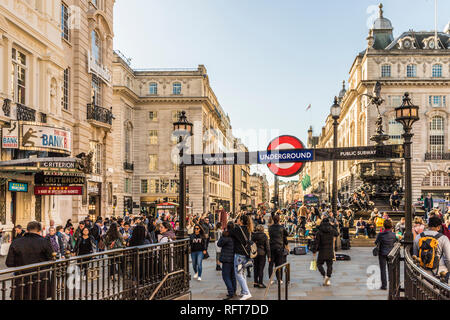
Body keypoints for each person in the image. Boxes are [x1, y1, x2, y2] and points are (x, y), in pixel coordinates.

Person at [6, 221, 54, 300]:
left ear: (27, 230)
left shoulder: (16, 242)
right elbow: (52, 260)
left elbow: (9, 263)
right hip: (40, 280)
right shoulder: (45, 241)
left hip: (21, 280)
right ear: (39, 231)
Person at [230, 214, 254, 300]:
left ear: (241, 221)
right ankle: (244, 291)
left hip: (239, 255)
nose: (237, 220)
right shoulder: (249, 229)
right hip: (247, 254)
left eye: (239, 219)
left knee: (238, 274)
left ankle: (247, 292)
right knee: (243, 273)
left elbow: (229, 232)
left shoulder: (238, 229)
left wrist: (234, 223)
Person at [311, 218, 338, 286]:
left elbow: (316, 242)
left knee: (319, 264)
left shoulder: (319, 232)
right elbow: (337, 233)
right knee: (329, 265)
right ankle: (328, 278)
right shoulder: (331, 230)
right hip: (330, 250)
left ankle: (324, 275)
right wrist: (333, 226)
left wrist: (314, 251)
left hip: (322, 250)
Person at [375, 219, 397, 290]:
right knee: (391, 269)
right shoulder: (393, 234)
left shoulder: (380, 234)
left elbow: (376, 242)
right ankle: (392, 284)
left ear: (384, 226)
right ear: (391, 226)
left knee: (383, 270)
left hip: (382, 253)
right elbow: (395, 241)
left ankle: (384, 285)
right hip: (391, 253)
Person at [217, 221, 236, 300]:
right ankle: (233, 290)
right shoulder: (235, 236)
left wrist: (222, 236)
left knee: (226, 276)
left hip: (226, 259)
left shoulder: (225, 236)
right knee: (232, 276)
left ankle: (231, 292)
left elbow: (219, 244)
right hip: (234, 258)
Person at [268, 214, 289, 284]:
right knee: (279, 264)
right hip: (279, 247)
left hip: (272, 247)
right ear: (279, 220)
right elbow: (287, 234)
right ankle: (279, 279)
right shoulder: (281, 227)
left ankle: (270, 279)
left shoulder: (270, 228)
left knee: (271, 264)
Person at [251, 224, 270, 288]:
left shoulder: (253, 235)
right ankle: (260, 283)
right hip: (262, 253)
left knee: (255, 268)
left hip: (255, 253)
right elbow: (267, 247)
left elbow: (251, 244)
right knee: (261, 268)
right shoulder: (264, 236)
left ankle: (255, 282)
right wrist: (269, 256)